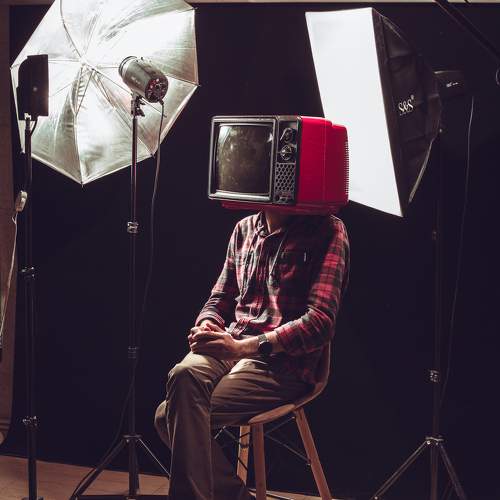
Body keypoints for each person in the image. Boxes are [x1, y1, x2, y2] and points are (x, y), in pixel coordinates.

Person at [154, 209, 349, 500]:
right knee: (183, 374)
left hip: (283, 363)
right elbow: (220, 298)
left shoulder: (327, 230)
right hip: (232, 342)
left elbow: (319, 323)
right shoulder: (244, 228)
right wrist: (207, 324)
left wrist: (243, 348)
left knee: (167, 416)